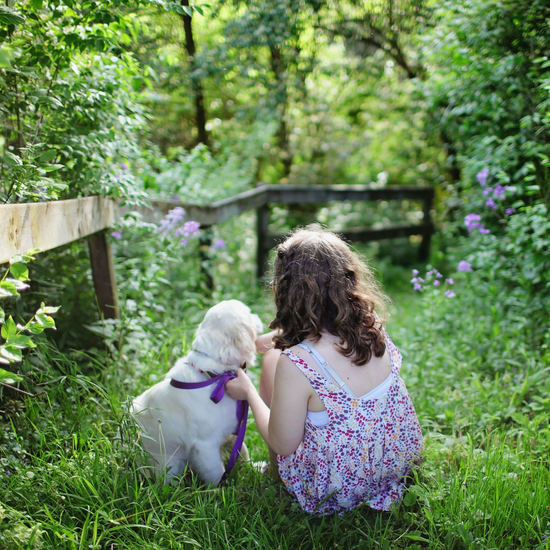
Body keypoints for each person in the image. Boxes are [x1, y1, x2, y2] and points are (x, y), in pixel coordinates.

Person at [226, 228, 423, 514]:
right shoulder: (373, 327)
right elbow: (317, 339)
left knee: (271, 360)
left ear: (281, 290)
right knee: (273, 354)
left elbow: (284, 443)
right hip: (392, 464)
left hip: (335, 489)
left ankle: (274, 473)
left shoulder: (295, 362)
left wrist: (249, 394)